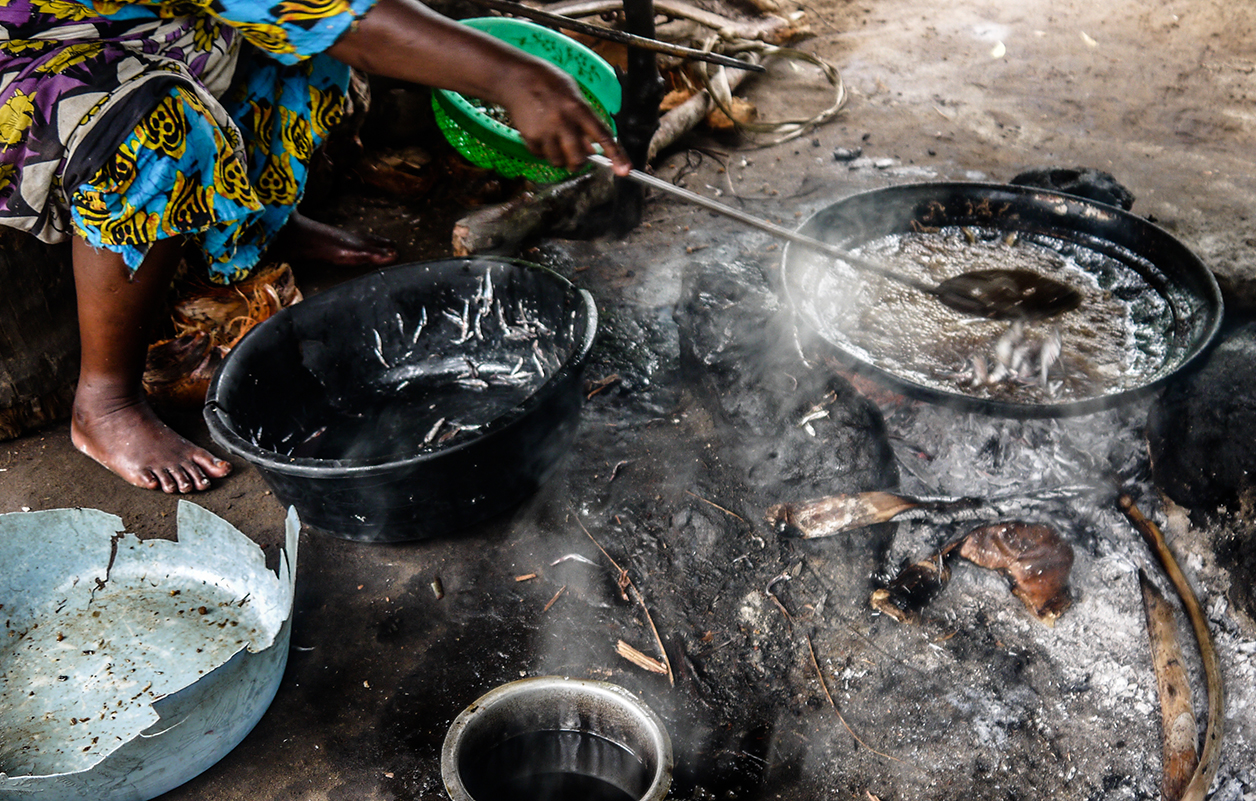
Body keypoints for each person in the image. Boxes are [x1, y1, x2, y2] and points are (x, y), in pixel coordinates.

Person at [0, 0, 630, 493]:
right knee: (155, 131)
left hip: (150, 24)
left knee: (304, 52)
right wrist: (516, 78)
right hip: (35, 53)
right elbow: (329, 15)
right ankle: (103, 402)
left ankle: (253, 218)